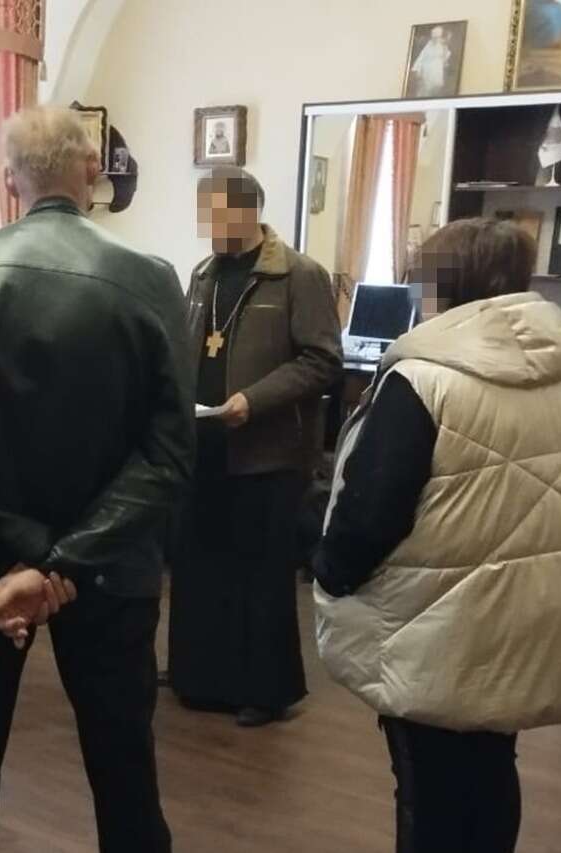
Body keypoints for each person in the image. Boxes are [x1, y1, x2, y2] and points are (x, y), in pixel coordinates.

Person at [0, 106, 196, 853]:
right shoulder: (151, 279)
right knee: (125, 773)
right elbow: (169, 453)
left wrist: (20, 558)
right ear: (92, 172)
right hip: (108, 567)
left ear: (8, 180)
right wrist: (59, 565)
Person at [313, 218, 561, 853]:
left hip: (438, 626)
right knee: (493, 767)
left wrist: (330, 571)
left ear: (443, 285)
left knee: (428, 787)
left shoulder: (421, 378)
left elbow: (372, 513)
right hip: (528, 608)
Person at [169, 167, 341, 727]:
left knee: (259, 573)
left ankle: (265, 691)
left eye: (218, 211)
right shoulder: (202, 274)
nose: (209, 223)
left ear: (249, 210)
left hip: (267, 450)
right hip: (205, 441)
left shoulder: (299, 275)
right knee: (200, 564)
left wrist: (254, 399)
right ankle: (199, 676)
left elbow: (322, 360)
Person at [409, 26, 452, 97]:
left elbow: (446, 57)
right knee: (424, 89)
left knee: (435, 88)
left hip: (436, 70)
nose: (435, 39)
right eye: (433, 37)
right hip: (426, 70)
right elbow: (421, 57)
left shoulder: (443, 46)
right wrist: (417, 69)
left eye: (437, 37)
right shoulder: (428, 45)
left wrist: (445, 46)